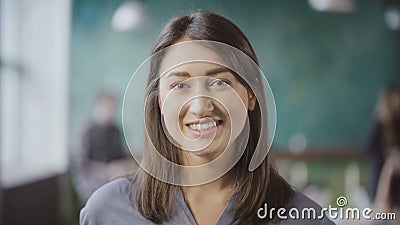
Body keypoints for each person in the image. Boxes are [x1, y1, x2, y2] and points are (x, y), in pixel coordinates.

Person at [80, 11, 335, 225]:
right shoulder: (107, 212)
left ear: (251, 94)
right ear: (158, 100)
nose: (200, 106)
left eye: (220, 82)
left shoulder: (305, 219)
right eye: (180, 85)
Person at [71, 91, 132, 201]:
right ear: (98, 106)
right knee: (110, 191)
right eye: (108, 107)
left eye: (113, 107)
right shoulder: (86, 131)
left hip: (112, 176)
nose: (111, 111)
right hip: (89, 179)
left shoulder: (115, 130)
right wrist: (108, 170)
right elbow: (82, 164)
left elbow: (119, 155)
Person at [365, 84, 400, 214]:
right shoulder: (379, 125)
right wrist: (388, 154)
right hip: (381, 174)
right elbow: (368, 148)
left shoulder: (397, 123)